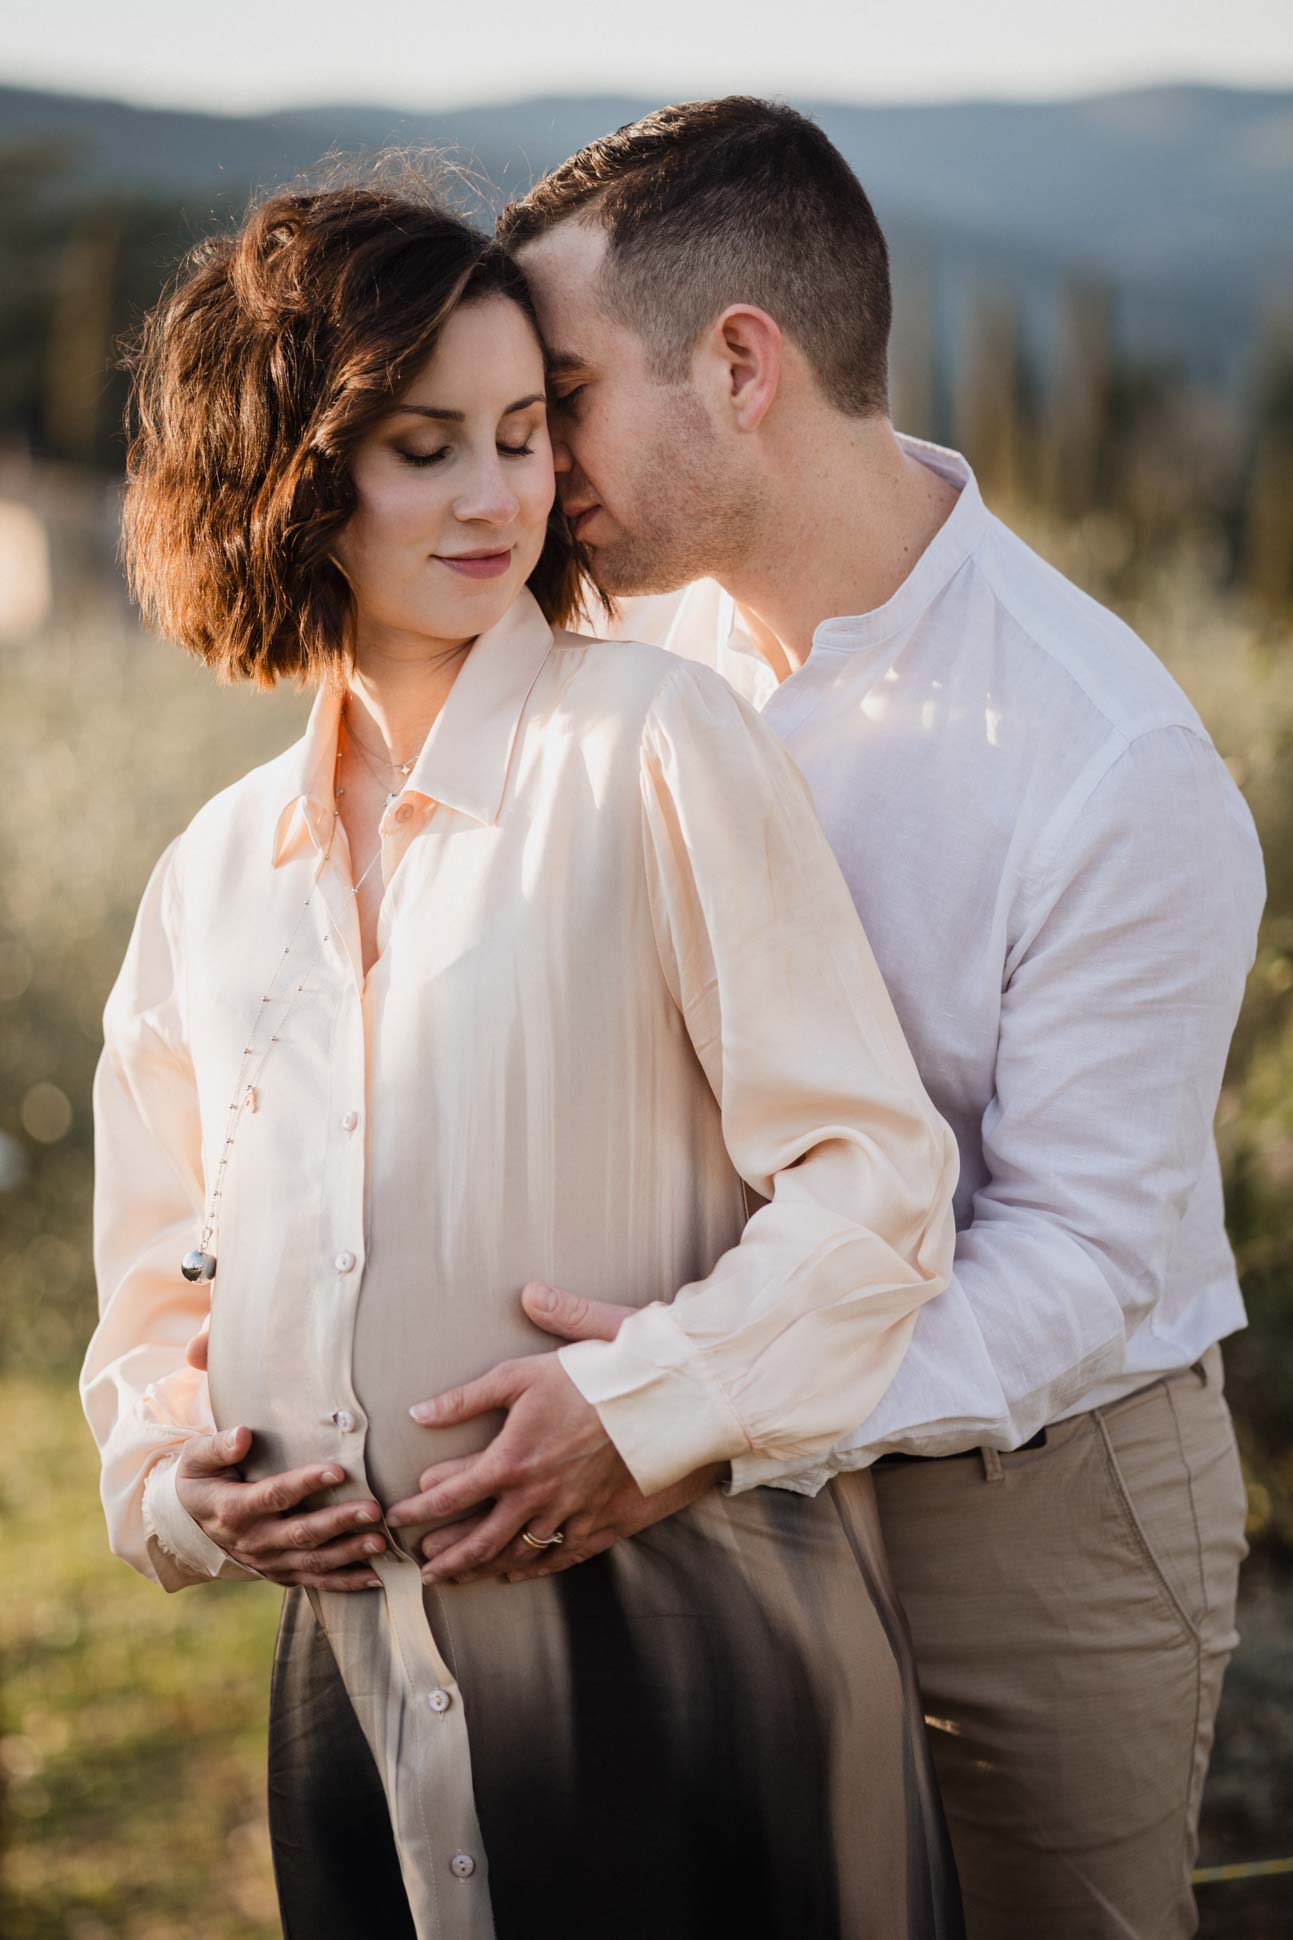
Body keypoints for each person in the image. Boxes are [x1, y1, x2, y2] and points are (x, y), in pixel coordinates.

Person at [312, 99, 1261, 1939]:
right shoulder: (620, 659)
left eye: (560, 398)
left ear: (740, 364)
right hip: (680, 1473)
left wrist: (700, 1411)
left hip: (1030, 1502)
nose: (526, 468)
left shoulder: (1109, 762)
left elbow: (1074, 1250)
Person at [79, 175, 966, 1940]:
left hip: (692, 1650)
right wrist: (181, 1486)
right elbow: (149, 1309)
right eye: (425, 447)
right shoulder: (209, 876)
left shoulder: (656, 743)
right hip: (346, 1691)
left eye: (521, 432)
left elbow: (876, 1186)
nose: (498, 496)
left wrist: (643, 1411)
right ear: (286, 476)